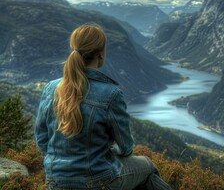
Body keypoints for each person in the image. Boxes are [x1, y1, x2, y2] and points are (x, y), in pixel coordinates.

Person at [35, 23, 172, 190]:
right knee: (147, 165)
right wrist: (107, 153)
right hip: (98, 182)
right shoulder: (111, 94)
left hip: (55, 181)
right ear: (100, 54)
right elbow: (126, 146)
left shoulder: (51, 88)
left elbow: (42, 139)